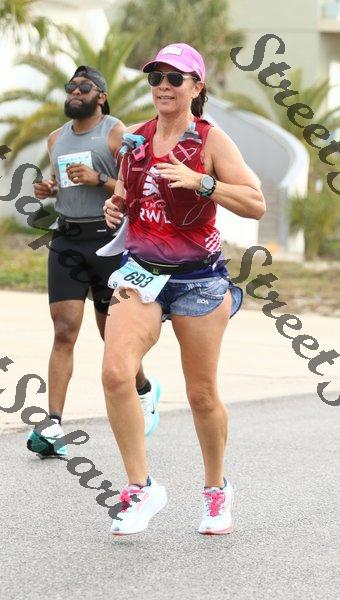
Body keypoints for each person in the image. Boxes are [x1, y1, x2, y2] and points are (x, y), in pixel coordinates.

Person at [102, 43, 265, 536]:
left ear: (197, 87)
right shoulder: (134, 139)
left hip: (198, 280)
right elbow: (126, 194)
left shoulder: (212, 141)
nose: (164, 86)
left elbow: (255, 202)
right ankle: (142, 488)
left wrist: (202, 182)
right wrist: (116, 208)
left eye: (175, 78)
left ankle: (216, 489)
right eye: (156, 77)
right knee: (115, 373)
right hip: (140, 272)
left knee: (201, 394)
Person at [28, 65, 160, 459]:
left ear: (100, 95)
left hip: (109, 241)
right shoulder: (56, 138)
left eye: (83, 87)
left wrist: (99, 180)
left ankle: (143, 389)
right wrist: (50, 189)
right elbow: (64, 186)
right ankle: (53, 424)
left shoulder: (116, 133)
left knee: (112, 335)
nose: (74, 92)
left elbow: (137, 185)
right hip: (67, 239)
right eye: (70, 87)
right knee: (64, 330)